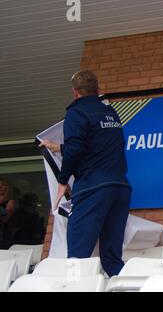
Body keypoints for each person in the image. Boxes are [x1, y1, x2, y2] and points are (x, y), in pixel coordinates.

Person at [39, 70, 131, 276]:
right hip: (120, 188)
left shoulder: (76, 112)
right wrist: (60, 148)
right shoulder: (111, 113)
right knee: (112, 259)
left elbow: (77, 149)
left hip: (93, 188)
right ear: (98, 90)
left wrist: (63, 180)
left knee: (77, 259)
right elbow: (98, 146)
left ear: (75, 92)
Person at [0, 178, 16, 249]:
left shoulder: (10, 201)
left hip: (3, 234)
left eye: (3, 184)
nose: (0, 186)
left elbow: (4, 219)